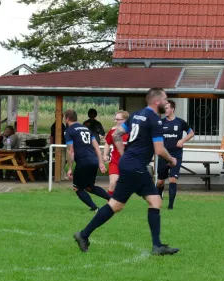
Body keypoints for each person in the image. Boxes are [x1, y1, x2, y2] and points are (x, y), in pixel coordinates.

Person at [73, 88, 180, 256]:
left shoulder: (137, 115)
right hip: (136, 167)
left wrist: (124, 155)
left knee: (148, 202)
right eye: (165, 100)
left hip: (131, 164)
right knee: (128, 204)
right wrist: (172, 160)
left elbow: (117, 135)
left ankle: (157, 245)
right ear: (157, 102)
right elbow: (159, 150)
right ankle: (84, 234)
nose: (167, 103)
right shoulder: (155, 120)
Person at [64, 109, 110, 212]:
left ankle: (94, 208)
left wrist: (70, 168)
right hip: (93, 160)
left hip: (83, 162)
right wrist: (100, 162)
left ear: (67, 118)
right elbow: (97, 147)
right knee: (89, 187)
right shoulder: (86, 129)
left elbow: (71, 151)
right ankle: (110, 199)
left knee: (77, 187)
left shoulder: (69, 131)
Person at [156, 100, 194, 209]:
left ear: (172, 109)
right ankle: (159, 199)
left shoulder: (180, 122)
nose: (165, 110)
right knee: (160, 182)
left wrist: (183, 140)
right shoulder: (161, 122)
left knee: (173, 179)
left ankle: (170, 206)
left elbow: (191, 133)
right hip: (163, 155)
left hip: (176, 155)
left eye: (167, 108)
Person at [103, 110, 130, 198]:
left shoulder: (132, 131)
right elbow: (107, 143)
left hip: (128, 162)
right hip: (115, 161)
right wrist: (105, 155)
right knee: (113, 181)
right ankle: (109, 202)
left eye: (118, 119)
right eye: (115, 119)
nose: (116, 121)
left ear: (125, 120)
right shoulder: (113, 131)